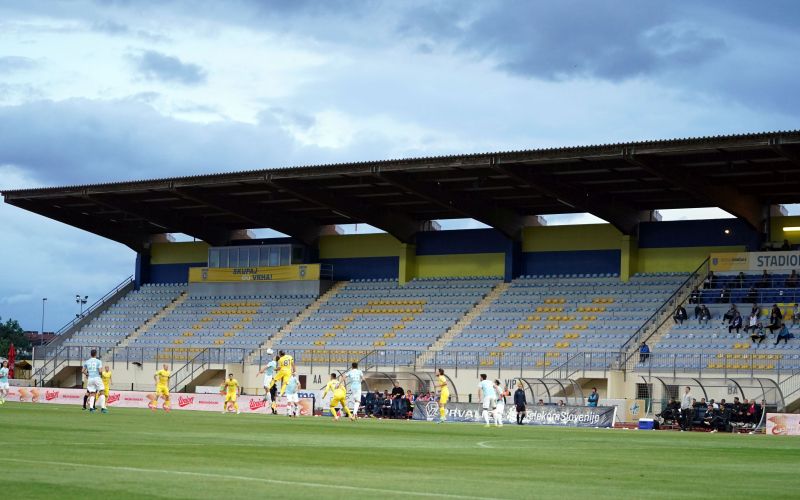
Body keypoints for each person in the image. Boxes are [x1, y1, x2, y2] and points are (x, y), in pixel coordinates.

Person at [82, 349, 105, 414]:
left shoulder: (87, 361)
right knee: (102, 391)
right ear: (96, 354)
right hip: (97, 378)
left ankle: (91, 408)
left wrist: (88, 374)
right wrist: (101, 375)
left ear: (90, 354)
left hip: (90, 379)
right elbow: (100, 371)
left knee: (92, 393)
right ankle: (103, 408)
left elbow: (82, 370)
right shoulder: (98, 361)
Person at [257, 349, 278, 413]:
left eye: (274, 357)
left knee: (267, 388)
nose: (273, 356)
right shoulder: (274, 363)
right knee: (266, 388)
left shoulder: (271, 362)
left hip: (268, 378)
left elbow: (266, 367)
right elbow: (271, 370)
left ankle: (271, 406)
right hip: (269, 377)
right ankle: (273, 409)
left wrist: (259, 371)